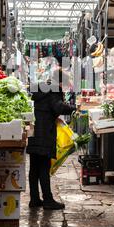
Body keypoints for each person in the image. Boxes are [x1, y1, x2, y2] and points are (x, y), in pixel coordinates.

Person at [27, 69, 77, 210]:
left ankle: (35, 199)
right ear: (60, 82)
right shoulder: (53, 89)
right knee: (44, 167)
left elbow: (49, 107)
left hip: (35, 131)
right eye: (64, 84)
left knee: (34, 168)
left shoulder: (42, 88)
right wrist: (74, 108)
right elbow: (58, 107)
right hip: (45, 132)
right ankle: (48, 200)